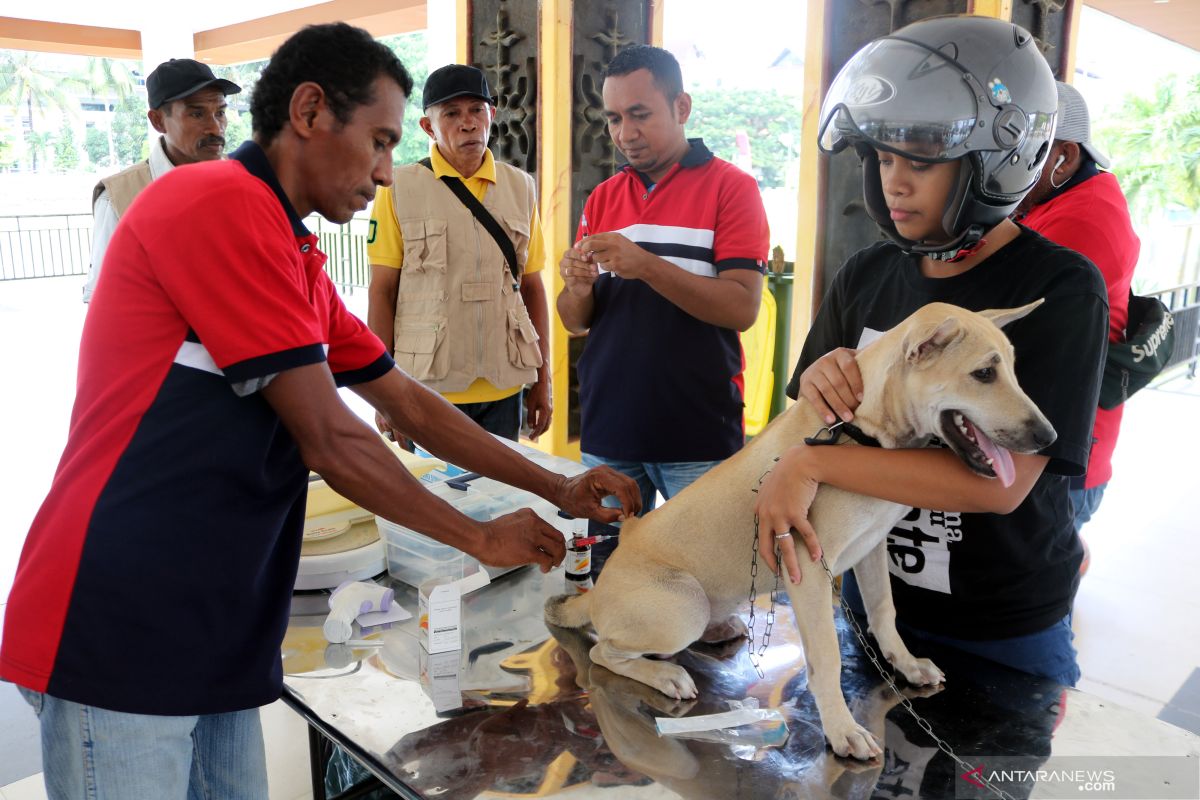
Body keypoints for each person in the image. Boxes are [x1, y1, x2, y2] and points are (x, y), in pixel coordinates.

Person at [1, 23, 638, 800]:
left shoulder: (292, 252)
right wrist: (476, 536)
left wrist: (554, 485)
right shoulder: (215, 203)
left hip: (220, 621)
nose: (382, 173)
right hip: (125, 619)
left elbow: (406, 401)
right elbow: (333, 439)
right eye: (377, 141)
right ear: (308, 111)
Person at [754, 16, 1108, 687]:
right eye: (885, 159)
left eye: (921, 160)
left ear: (997, 160)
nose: (896, 182)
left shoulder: (1059, 288)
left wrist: (808, 463)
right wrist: (822, 384)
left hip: (1000, 626)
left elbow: (1004, 484)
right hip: (869, 599)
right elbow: (807, 408)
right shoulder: (865, 274)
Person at [556, 45, 769, 511]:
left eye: (640, 115)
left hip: (697, 436)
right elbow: (576, 320)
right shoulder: (603, 197)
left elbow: (742, 307)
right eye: (613, 118)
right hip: (608, 430)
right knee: (607, 572)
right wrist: (577, 288)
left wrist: (647, 265)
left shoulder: (732, 188)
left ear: (682, 107)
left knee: (699, 579)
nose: (625, 134)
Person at [367, 64, 552, 446]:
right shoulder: (397, 189)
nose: (467, 124)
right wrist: (384, 393)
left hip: (504, 386)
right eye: (451, 113)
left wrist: (544, 380)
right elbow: (382, 292)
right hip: (428, 388)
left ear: (492, 116)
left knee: (502, 501)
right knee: (437, 502)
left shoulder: (521, 188)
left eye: (476, 110)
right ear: (428, 127)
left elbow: (532, 287)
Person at [1016, 81, 1139, 547]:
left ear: (1063, 158)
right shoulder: (1065, 201)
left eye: (1021, 154)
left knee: (1040, 586)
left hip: (1064, 453)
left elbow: (1020, 322)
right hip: (1061, 442)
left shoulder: (1080, 218)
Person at [83, 58, 241, 303]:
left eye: (220, 112)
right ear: (158, 120)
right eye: (197, 113)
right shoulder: (118, 197)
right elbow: (106, 303)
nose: (215, 127)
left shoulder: (243, 185)